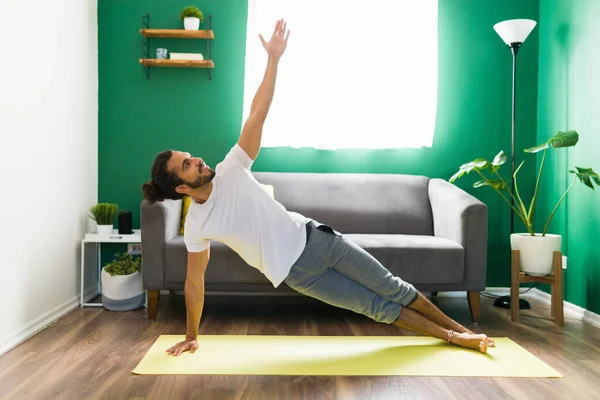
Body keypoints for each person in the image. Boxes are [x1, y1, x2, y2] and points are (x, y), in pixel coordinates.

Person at [142, 19, 494, 357]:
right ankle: (452, 336)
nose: (197, 160)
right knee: (377, 308)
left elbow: (257, 114)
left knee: (392, 287)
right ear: (182, 190)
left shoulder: (231, 168)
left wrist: (273, 59)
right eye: (187, 165)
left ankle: (461, 332)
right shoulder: (198, 226)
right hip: (297, 275)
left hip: (319, 240)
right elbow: (193, 282)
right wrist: (191, 336)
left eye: (190, 157)